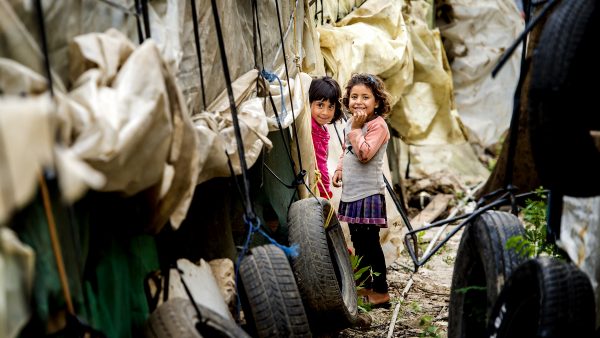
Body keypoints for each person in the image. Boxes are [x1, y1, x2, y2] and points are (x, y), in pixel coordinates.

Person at [332, 73, 392, 307]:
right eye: (354, 96)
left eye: (365, 97)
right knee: (359, 243)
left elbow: (364, 154)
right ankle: (366, 285)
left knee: (371, 245)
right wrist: (339, 169)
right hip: (353, 192)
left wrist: (357, 129)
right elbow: (347, 149)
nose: (358, 101)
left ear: (377, 102)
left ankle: (381, 291)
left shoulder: (378, 126)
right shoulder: (353, 123)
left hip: (368, 194)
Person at [309, 76, 343, 198]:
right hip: (315, 186)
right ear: (309, 103)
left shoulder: (322, 128)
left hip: (320, 186)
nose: (325, 112)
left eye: (330, 107)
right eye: (320, 105)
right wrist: (324, 192)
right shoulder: (309, 126)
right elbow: (319, 165)